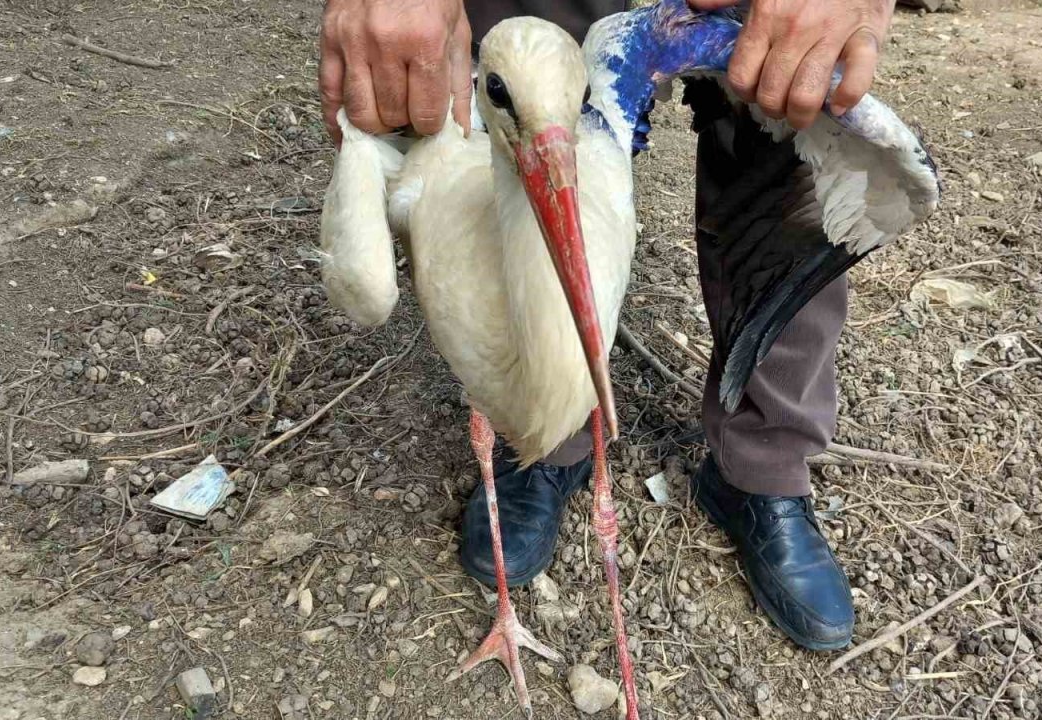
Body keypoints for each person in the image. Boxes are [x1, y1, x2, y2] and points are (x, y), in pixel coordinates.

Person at [318, 0, 896, 651]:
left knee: (790, 78)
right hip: (498, 132)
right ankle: (544, 449)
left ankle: (765, 465)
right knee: (540, 29)